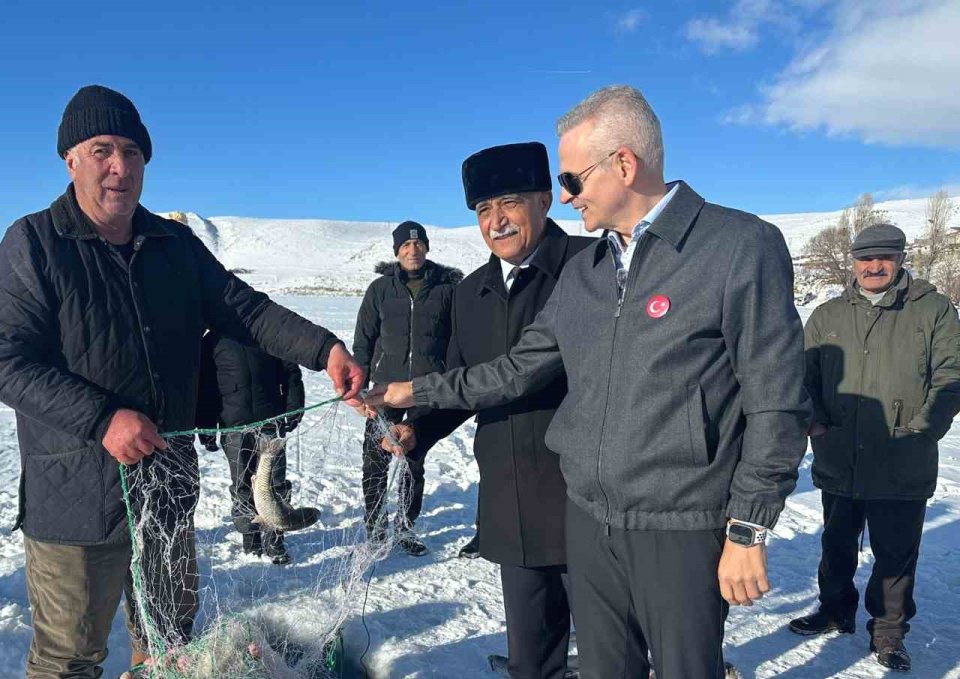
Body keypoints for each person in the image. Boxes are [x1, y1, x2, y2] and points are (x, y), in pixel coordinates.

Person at [364, 85, 810, 679]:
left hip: (679, 524)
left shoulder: (734, 247)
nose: (569, 196)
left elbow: (777, 400)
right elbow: (516, 369)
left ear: (623, 164)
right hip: (589, 521)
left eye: (572, 180)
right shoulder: (589, 271)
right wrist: (412, 393)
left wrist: (749, 528)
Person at [0, 84, 364, 679]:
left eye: (132, 152)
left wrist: (324, 349)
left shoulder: (173, 244)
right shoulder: (34, 243)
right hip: (76, 502)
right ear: (70, 159)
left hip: (165, 492)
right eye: (102, 150)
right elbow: (1, 360)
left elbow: (245, 310)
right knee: (67, 660)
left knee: (170, 648)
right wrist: (102, 419)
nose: (120, 166)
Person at [388, 142, 594, 679]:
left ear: (544, 200)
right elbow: (463, 378)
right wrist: (418, 431)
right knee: (531, 659)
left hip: (587, 499)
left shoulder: (589, 267)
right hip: (511, 497)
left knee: (611, 655)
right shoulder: (470, 292)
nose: (496, 221)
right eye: (483, 209)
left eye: (510, 203)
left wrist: (412, 392)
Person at [790, 224, 960, 671]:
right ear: (853, 262)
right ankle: (834, 609)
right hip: (839, 452)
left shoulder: (933, 310)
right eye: (865, 258)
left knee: (896, 553)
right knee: (836, 542)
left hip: (902, 456)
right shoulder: (827, 315)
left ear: (901, 259)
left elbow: (951, 376)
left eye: (884, 257)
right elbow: (804, 378)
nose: (874, 266)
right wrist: (816, 423)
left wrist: (923, 430)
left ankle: (888, 631)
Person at [352, 220, 461, 555]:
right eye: (406, 245)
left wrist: (447, 380)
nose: (413, 251)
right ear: (396, 251)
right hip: (384, 390)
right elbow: (364, 340)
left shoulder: (447, 290)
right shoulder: (380, 290)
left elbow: (456, 340)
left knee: (414, 460)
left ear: (426, 247)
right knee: (374, 460)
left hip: (425, 389)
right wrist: (360, 388)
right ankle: (375, 529)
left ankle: (406, 528)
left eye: (418, 244)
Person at [195, 331, 306, 565]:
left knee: (275, 483)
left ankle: (275, 536)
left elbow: (290, 371)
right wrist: (206, 427)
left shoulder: (267, 333)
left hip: (270, 420)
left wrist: (294, 405)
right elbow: (205, 387)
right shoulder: (212, 342)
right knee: (243, 484)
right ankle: (251, 536)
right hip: (234, 426)